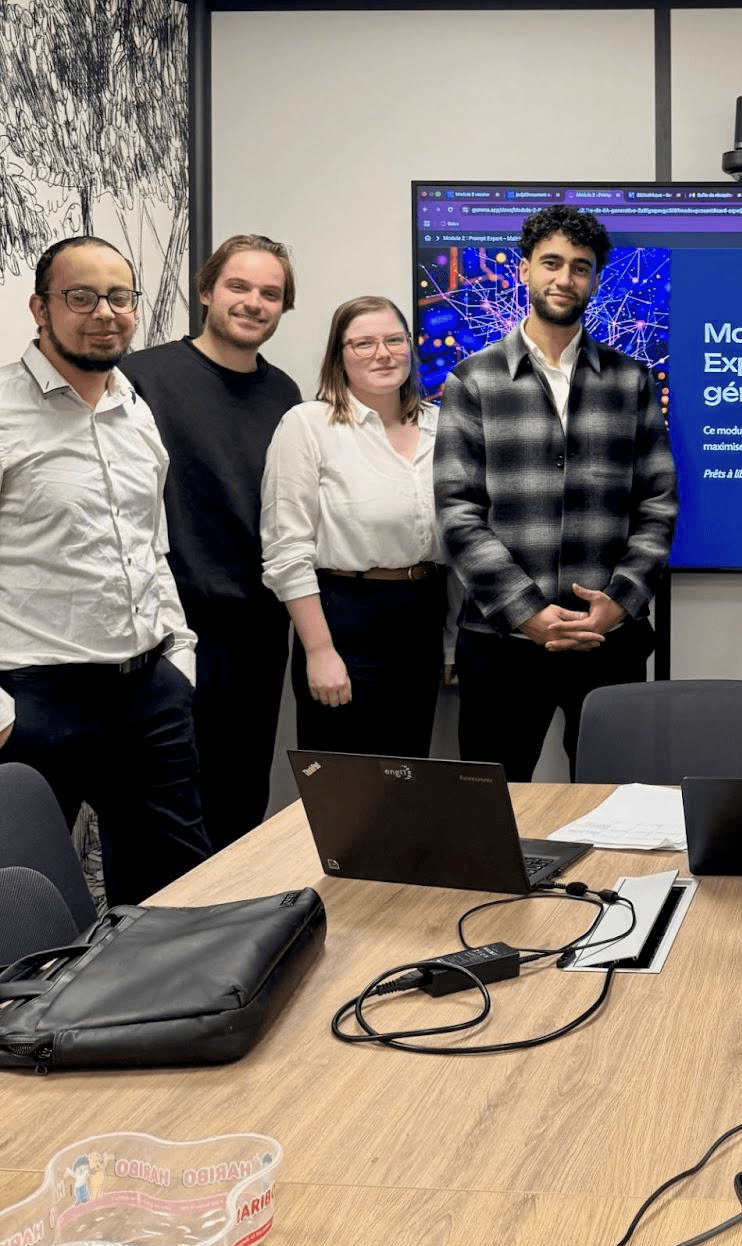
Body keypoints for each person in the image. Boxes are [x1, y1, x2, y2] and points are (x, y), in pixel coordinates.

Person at [0, 236, 208, 905]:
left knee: (174, 897)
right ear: (41, 308)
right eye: (81, 296)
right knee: (24, 901)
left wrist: (178, 654)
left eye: (119, 297)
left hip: (147, 693)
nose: (105, 313)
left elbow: (149, 544)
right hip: (34, 700)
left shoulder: (133, 408)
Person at [435, 206, 677, 779]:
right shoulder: (472, 380)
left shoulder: (631, 380)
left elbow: (658, 503)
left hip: (609, 641)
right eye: (551, 263)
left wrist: (617, 604)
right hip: (501, 641)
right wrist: (529, 613)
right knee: (494, 809)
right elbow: (457, 512)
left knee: (614, 805)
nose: (564, 278)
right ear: (524, 270)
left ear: (593, 280)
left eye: (580, 267)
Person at [120, 233, 302, 849]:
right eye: (238, 286)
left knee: (240, 798)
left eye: (270, 293)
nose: (254, 303)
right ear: (206, 291)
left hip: (257, 631)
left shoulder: (285, 395)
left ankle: (231, 910)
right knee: (164, 808)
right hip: (167, 632)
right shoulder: (140, 377)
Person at [261, 296, 445, 758]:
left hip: (422, 618)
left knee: (410, 777)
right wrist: (319, 652)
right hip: (344, 620)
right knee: (343, 786)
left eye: (394, 340)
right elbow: (286, 550)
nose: (382, 354)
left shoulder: (440, 426)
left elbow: (460, 541)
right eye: (363, 343)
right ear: (338, 355)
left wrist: (448, 645)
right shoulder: (308, 425)